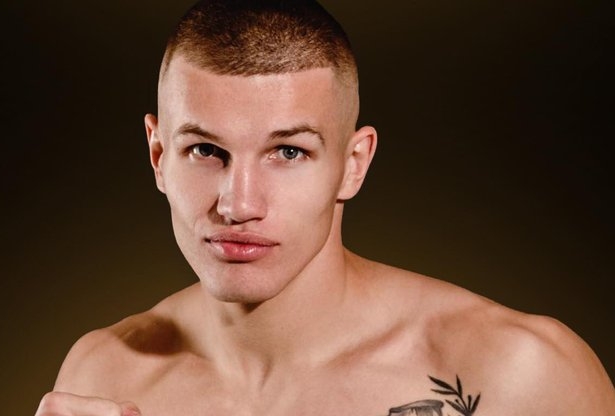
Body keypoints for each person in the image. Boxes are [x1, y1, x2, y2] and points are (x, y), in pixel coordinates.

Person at [35, 1, 614, 415]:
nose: (238, 204)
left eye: (288, 152)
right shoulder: (103, 375)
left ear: (353, 164)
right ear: (159, 156)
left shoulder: (518, 374)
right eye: (205, 150)